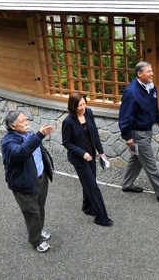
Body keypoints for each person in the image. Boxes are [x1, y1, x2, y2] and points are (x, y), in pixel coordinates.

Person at [118, 61, 159, 205]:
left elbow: (154, 107)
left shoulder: (151, 87)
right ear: (139, 74)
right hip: (138, 134)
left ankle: (127, 184)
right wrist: (128, 136)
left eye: (151, 71)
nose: (152, 74)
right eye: (148, 71)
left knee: (136, 159)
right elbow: (125, 116)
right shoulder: (131, 92)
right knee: (150, 164)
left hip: (147, 131)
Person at [0, 110, 55, 253]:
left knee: (40, 207)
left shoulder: (29, 135)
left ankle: (39, 229)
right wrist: (40, 135)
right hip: (23, 183)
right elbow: (21, 152)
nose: (26, 123)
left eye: (26, 120)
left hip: (40, 178)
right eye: (22, 121)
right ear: (13, 126)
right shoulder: (8, 142)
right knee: (32, 211)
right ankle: (36, 240)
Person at [61, 92, 113, 227]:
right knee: (93, 186)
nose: (83, 107)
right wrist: (82, 153)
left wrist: (101, 152)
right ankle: (102, 217)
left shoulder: (88, 113)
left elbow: (94, 133)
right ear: (73, 106)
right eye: (79, 106)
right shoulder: (68, 121)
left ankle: (87, 207)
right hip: (80, 159)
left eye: (84, 104)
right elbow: (66, 142)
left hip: (92, 155)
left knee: (89, 182)